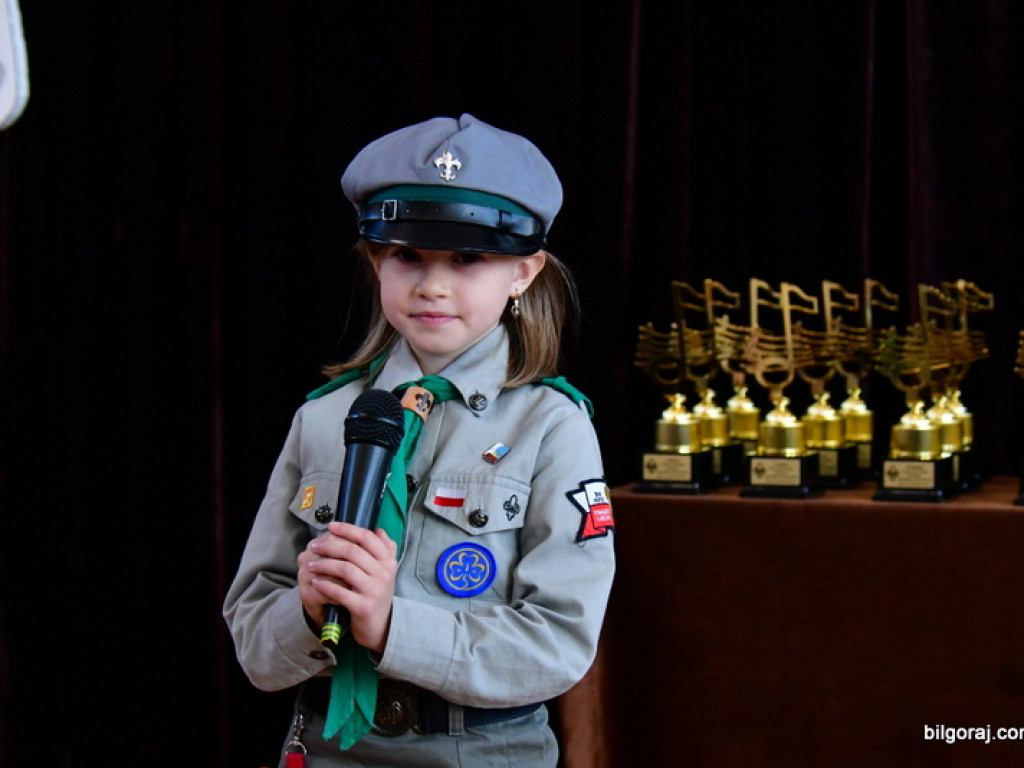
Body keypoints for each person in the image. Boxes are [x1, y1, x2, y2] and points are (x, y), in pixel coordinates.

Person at [223, 113, 615, 767]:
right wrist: (308, 607)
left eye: (466, 259)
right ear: (375, 259)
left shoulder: (551, 427)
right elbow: (257, 646)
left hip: (482, 751)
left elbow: (559, 644)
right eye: (407, 255)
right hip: (328, 747)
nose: (433, 285)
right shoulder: (323, 420)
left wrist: (391, 627)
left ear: (524, 271)